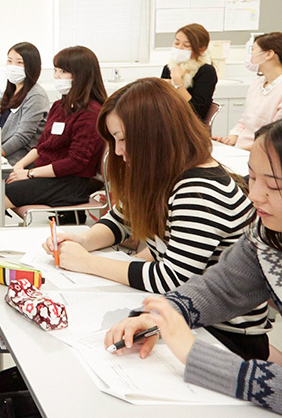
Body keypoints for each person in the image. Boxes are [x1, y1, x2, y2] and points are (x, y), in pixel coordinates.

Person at [45, 78, 269, 358]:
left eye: (124, 139)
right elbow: (120, 219)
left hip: (224, 336)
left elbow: (170, 280)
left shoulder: (198, 190)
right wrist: (83, 239)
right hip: (184, 318)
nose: (117, 151)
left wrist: (88, 262)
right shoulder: (163, 172)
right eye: (114, 139)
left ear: (156, 135)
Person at [105, 121, 282, 412]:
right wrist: (161, 316)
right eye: (251, 178)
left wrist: (196, 357)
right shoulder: (265, 234)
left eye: (273, 185)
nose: (254, 196)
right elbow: (220, 287)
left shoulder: (199, 189)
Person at [5, 46, 107, 212]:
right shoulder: (59, 106)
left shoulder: (90, 113)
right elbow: (42, 144)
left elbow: (75, 162)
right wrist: (20, 166)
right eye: (55, 70)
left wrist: (30, 174)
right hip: (46, 176)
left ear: (81, 76)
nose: (57, 76)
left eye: (63, 72)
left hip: (70, 183)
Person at [214, 32, 282, 151]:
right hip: (242, 149)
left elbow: (275, 138)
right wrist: (231, 138)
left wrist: (239, 150)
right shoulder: (258, 84)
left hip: (264, 152)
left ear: (269, 54)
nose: (250, 55)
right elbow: (245, 121)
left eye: (253, 50)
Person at [0, 42, 50, 166]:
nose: (12, 66)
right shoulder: (11, 90)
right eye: (9, 61)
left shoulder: (36, 95)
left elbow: (22, 137)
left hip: (20, 157)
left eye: (19, 63)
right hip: (2, 151)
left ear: (31, 66)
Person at [161, 23, 218, 121]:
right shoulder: (169, 67)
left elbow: (196, 112)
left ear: (201, 50)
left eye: (186, 45)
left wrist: (177, 83)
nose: (179, 48)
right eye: (176, 43)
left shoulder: (206, 71)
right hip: (168, 121)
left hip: (190, 126)